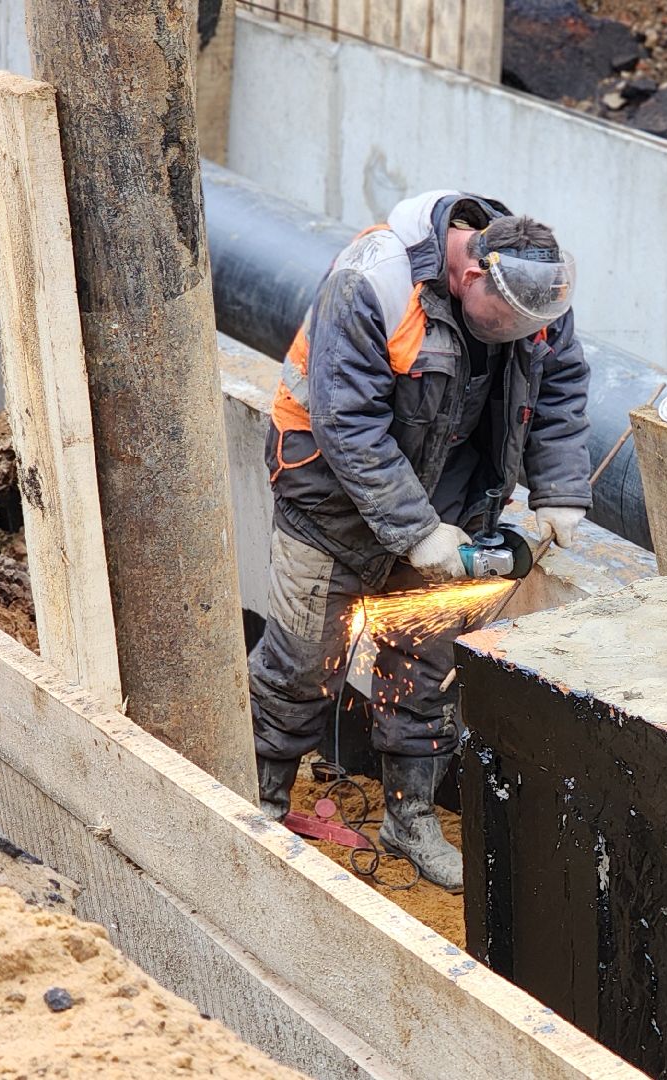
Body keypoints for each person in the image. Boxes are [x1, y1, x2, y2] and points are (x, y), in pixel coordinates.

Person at [248, 190, 592, 892]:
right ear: (470, 278)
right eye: (505, 327)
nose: (521, 337)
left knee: (425, 673)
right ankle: (258, 806)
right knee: (302, 665)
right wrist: (414, 530)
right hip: (333, 508)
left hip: (455, 506)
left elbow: (557, 389)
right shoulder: (371, 281)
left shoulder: (536, 293)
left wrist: (559, 494)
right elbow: (348, 425)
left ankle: (409, 821)